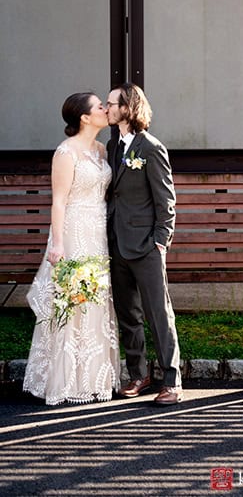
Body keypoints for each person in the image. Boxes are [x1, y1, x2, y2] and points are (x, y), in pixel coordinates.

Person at [23, 92, 120, 405]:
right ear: (84, 117)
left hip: (98, 230)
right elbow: (59, 201)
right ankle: (65, 379)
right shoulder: (66, 152)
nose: (106, 109)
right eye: (100, 107)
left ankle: (95, 377)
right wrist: (59, 243)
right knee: (73, 296)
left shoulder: (102, 150)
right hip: (75, 230)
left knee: (97, 296)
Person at [106, 82, 182, 405]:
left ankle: (172, 380)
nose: (107, 108)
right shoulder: (112, 148)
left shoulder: (151, 148)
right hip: (117, 245)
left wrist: (160, 243)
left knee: (158, 314)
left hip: (147, 247)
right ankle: (138, 375)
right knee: (128, 315)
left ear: (128, 108)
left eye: (112, 104)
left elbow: (167, 202)